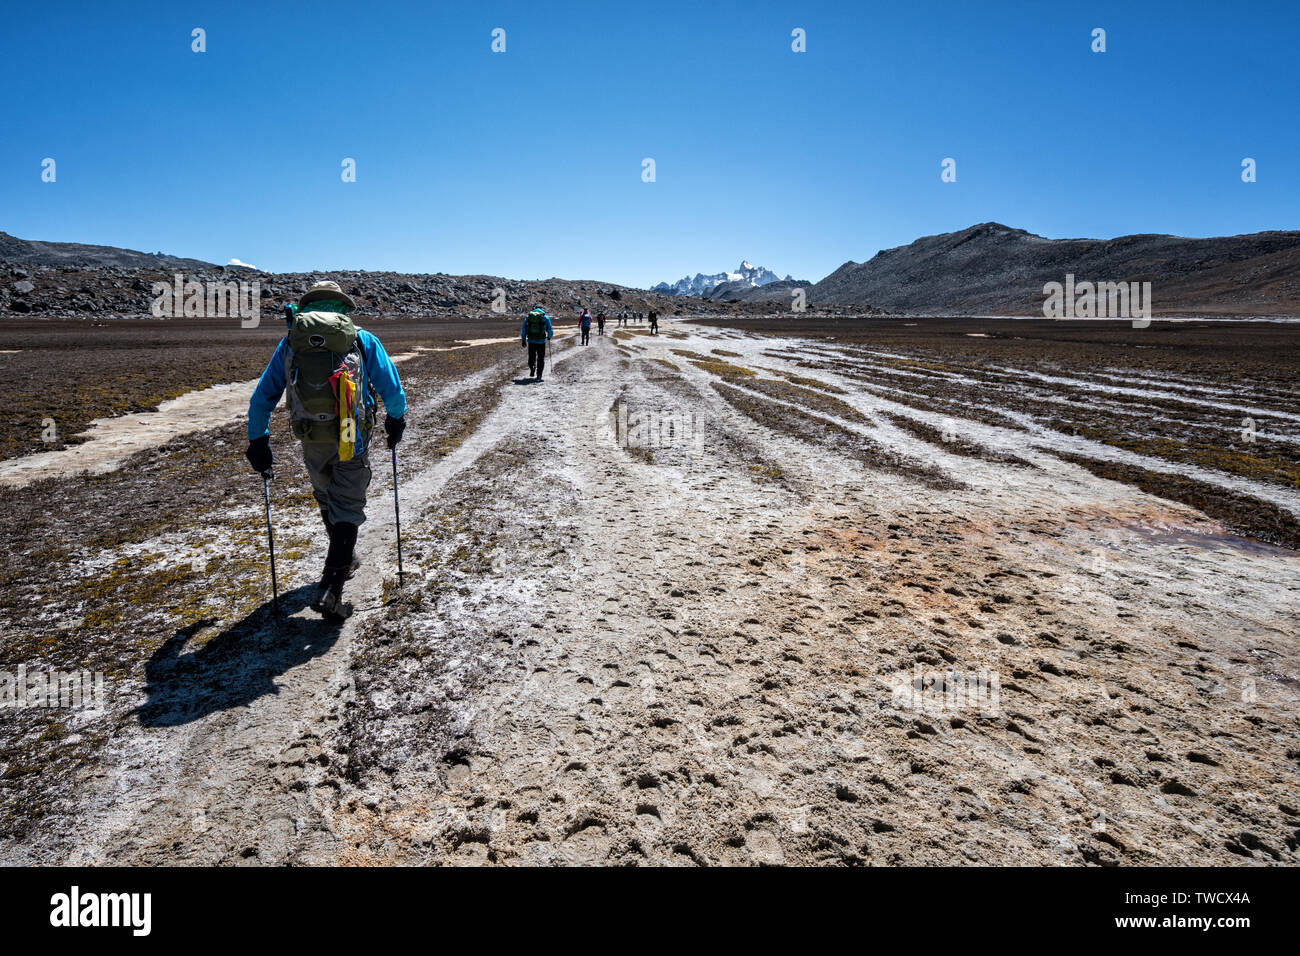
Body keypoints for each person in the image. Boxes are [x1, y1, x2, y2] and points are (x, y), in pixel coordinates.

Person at [244, 280, 407, 619]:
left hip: (311, 433)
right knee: (347, 501)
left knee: (326, 497)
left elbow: (263, 397)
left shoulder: (292, 342)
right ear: (342, 306)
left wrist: (258, 439)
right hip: (351, 431)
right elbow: (391, 388)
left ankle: (343, 562)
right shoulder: (361, 338)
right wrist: (396, 420)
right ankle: (331, 588)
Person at [522, 306, 554, 380]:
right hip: (541, 341)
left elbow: (524, 328)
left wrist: (523, 339)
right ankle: (539, 375)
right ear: (542, 309)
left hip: (531, 340)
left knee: (531, 356)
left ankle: (532, 368)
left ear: (534, 309)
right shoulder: (545, 317)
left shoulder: (528, 316)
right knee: (540, 358)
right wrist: (549, 337)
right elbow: (550, 329)